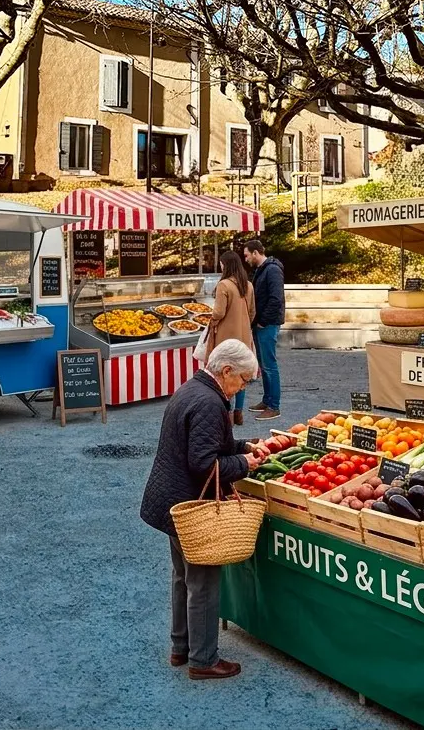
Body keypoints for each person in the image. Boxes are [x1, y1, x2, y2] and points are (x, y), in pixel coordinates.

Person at [140, 339, 269, 680]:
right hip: (191, 502)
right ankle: (203, 660)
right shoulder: (211, 403)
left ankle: (180, 648)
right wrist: (243, 463)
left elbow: (209, 443)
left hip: (172, 502)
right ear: (226, 371)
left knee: (182, 577)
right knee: (204, 584)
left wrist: (246, 446)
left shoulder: (191, 389)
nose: (242, 388)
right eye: (242, 380)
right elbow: (203, 463)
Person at [206, 251, 257, 426]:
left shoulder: (224, 285)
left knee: (223, 374)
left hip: (226, 337)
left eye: (221, 264)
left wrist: (211, 320)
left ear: (225, 265)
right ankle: (238, 413)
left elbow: (219, 312)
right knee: (241, 375)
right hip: (244, 336)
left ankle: (225, 414)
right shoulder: (248, 285)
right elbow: (252, 312)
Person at [243, 238, 285, 420]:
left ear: (255, 253)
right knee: (264, 364)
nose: (245, 260)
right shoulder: (263, 270)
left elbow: (276, 298)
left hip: (267, 324)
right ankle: (267, 400)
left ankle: (274, 406)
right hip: (262, 323)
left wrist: (263, 320)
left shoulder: (272, 270)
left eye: (246, 256)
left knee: (269, 365)